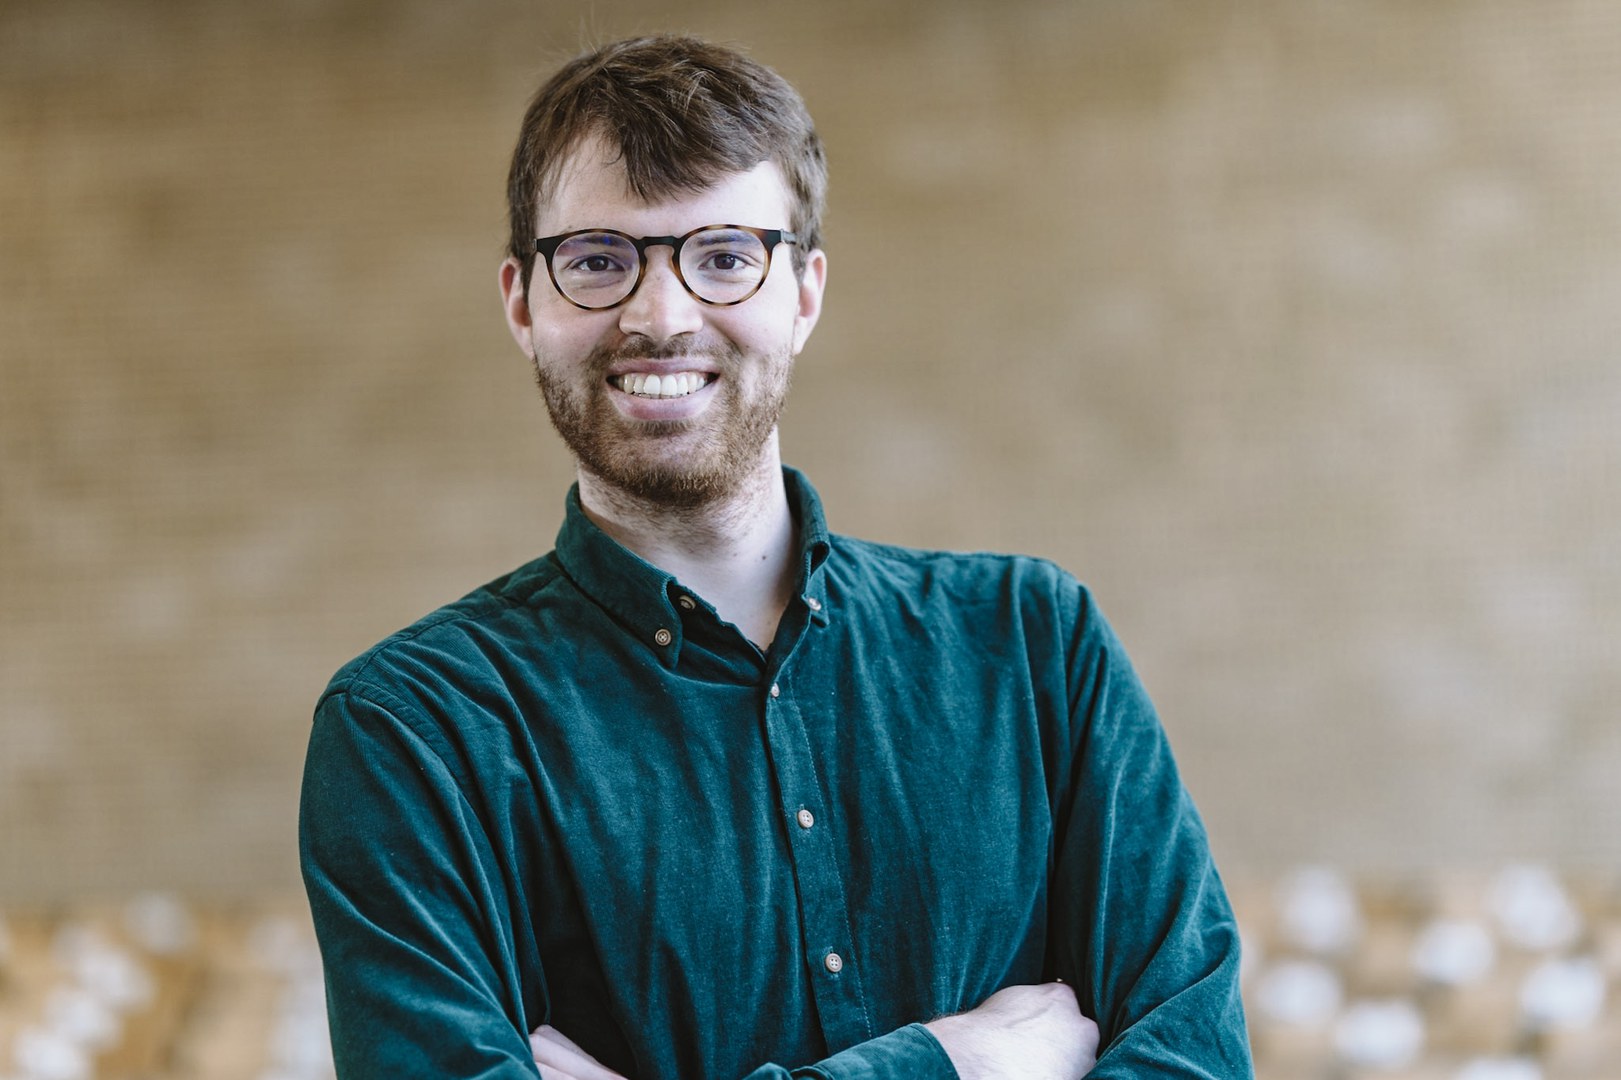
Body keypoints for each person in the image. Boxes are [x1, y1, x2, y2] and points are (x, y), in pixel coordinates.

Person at [300, 34, 1252, 1080]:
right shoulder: (413, 731)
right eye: (597, 261)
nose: (660, 316)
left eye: (723, 257)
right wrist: (954, 1066)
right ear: (522, 303)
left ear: (803, 293)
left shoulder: (1035, 647)